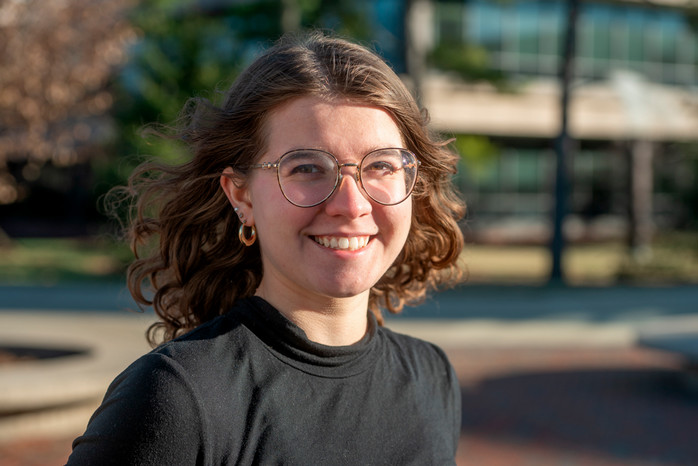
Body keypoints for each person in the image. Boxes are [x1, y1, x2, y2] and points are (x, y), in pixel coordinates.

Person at [68, 31, 465, 465]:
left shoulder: (432, 377)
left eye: (382, 166)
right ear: (241, 195)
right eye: (308, 168)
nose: (351, 204)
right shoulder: (177, 398)